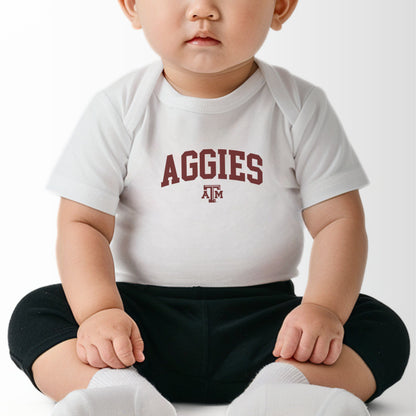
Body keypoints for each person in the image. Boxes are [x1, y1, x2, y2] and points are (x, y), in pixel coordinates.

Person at [8, 1, 410, 415]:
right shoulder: (118, 109)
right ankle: (116, 391)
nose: (203, 9)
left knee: (380, 328)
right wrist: (99, 312)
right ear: (132, 7)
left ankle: (283, 391)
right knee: (36, 314)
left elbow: (338, 222)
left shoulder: (300, 106)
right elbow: (83, 223)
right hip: (139, 332)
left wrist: (321, 309)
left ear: (280, 7)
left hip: (271, 333)